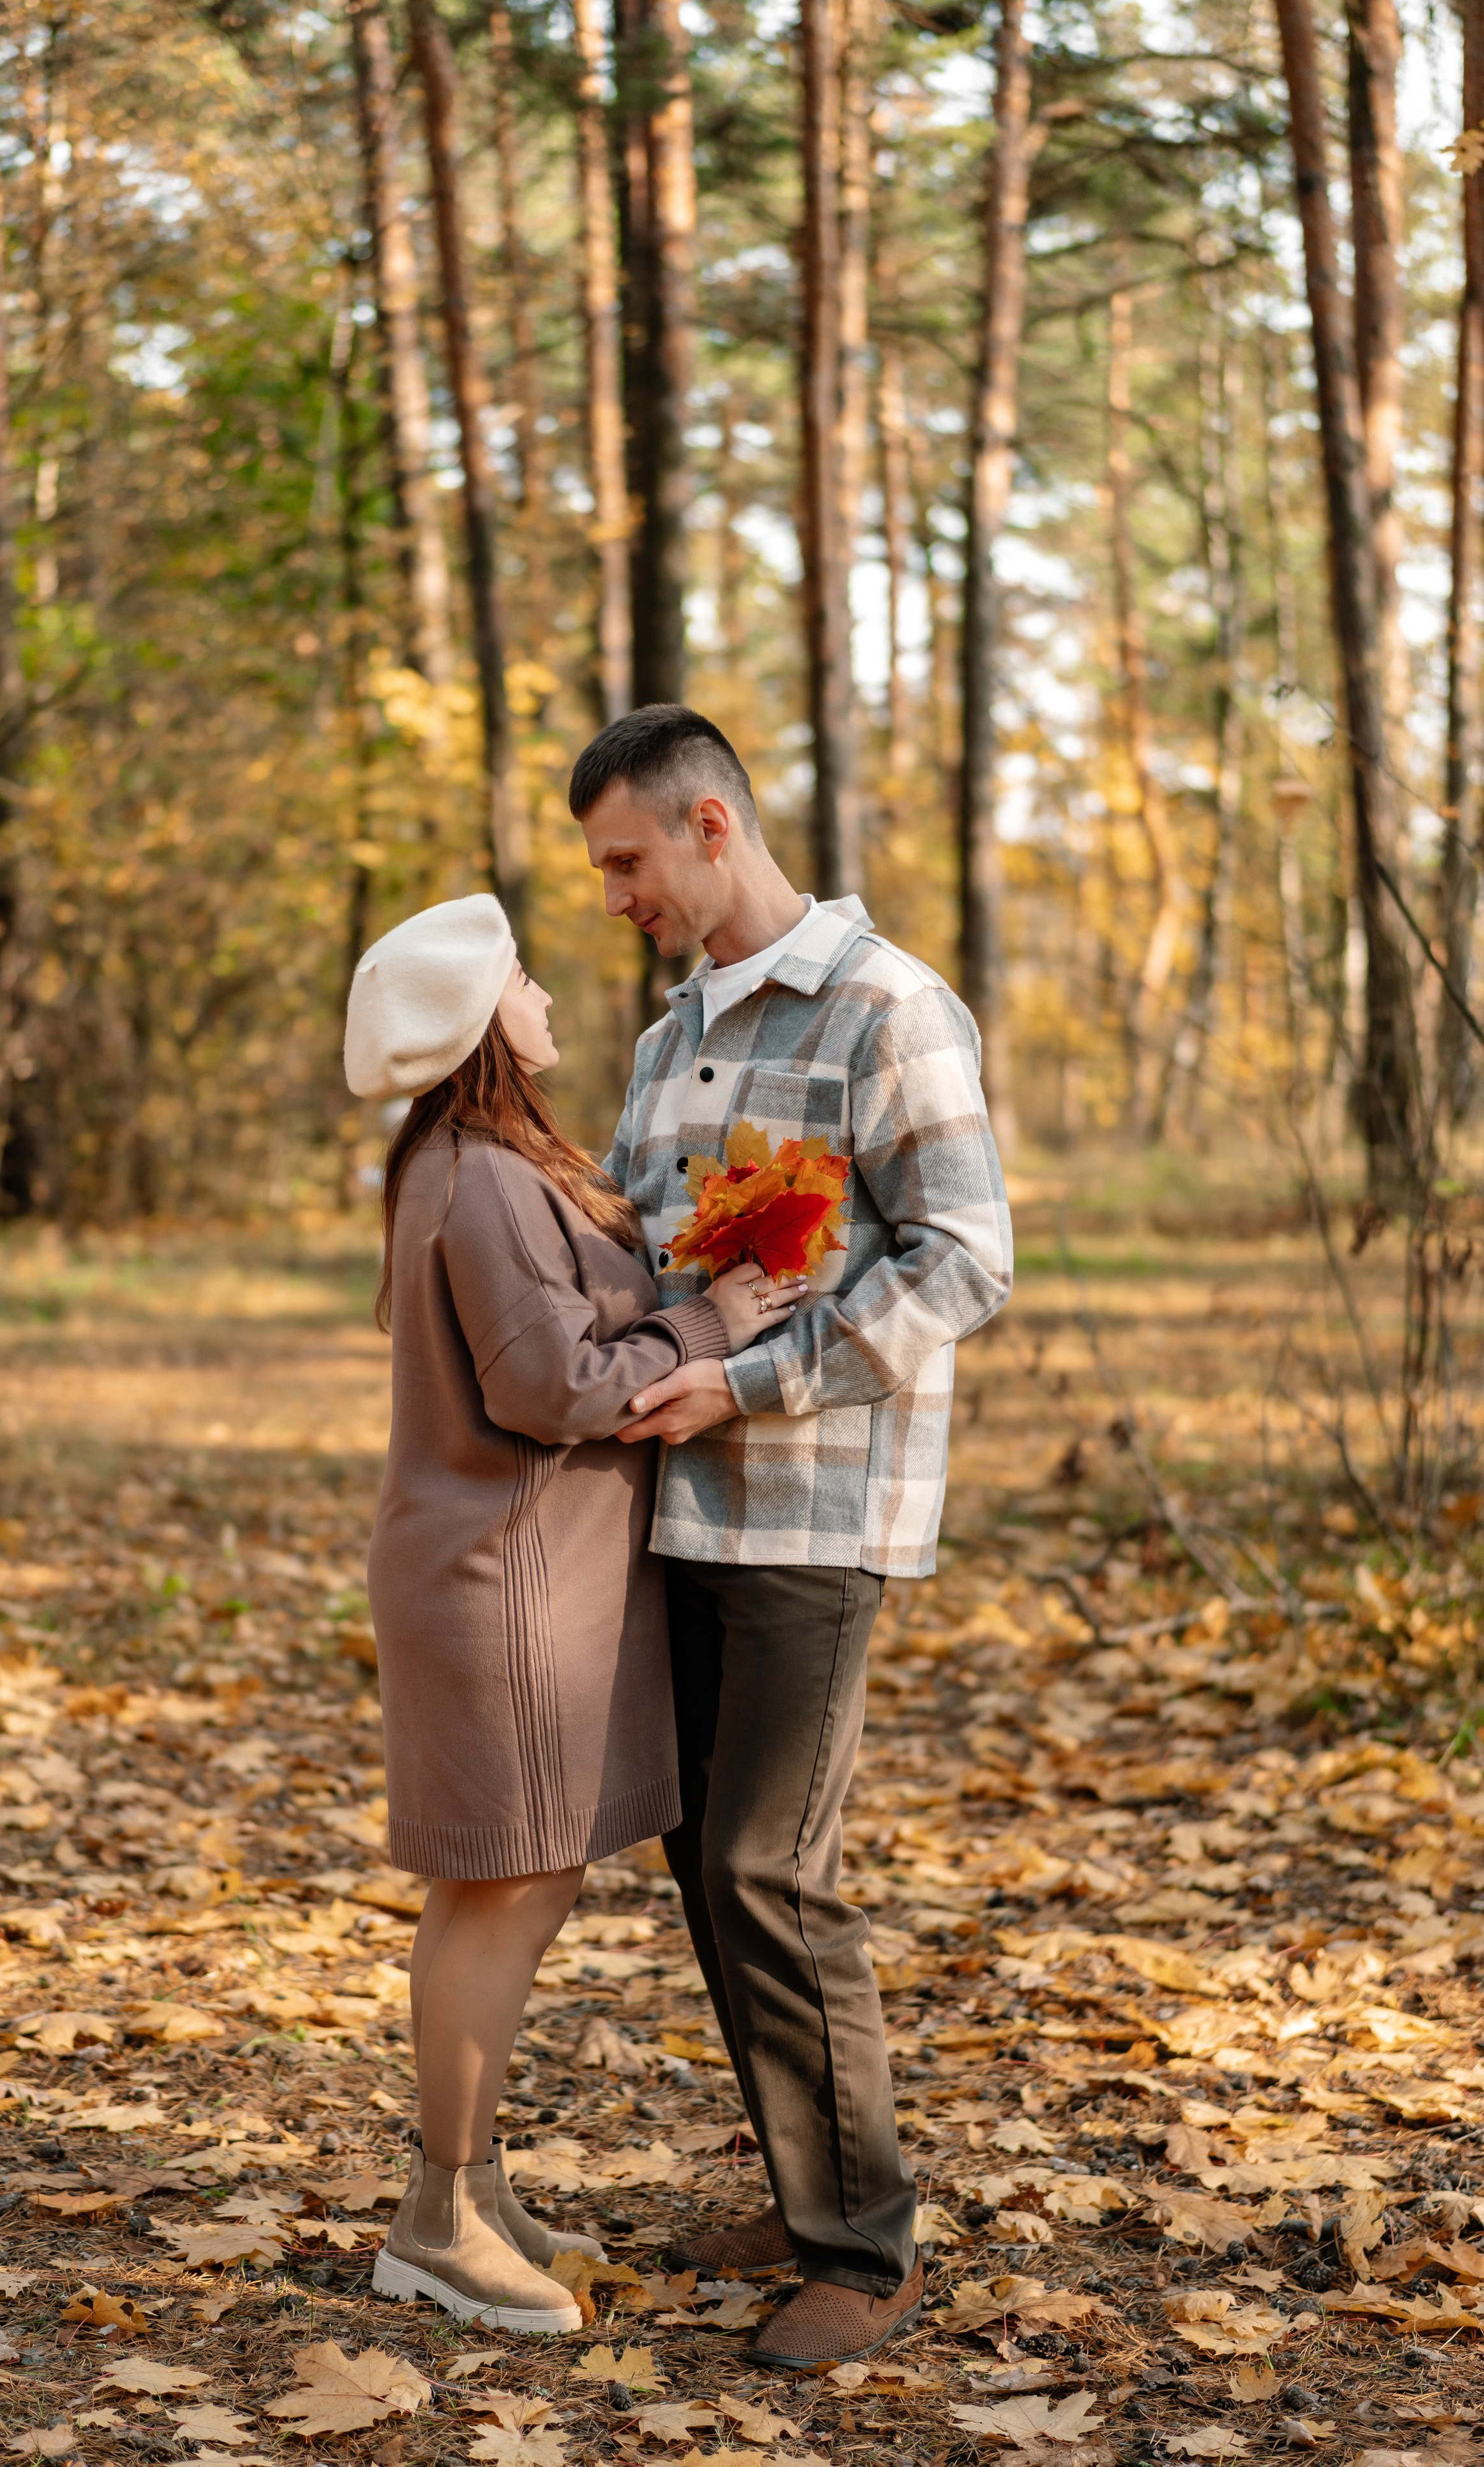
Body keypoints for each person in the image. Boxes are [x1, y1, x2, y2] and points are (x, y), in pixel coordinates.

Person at [568, 706, 1014, 2369]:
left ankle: (865, 2248)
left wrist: (746, 1378)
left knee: (772, 1863)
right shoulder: (673, 1029)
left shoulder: (887, 1006)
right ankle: (811, 2173)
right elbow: (640, 1244)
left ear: (707, 826)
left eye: (625, 859)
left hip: (815, 1514)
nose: (613, 893)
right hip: (679, 1506)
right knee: (705, 1857)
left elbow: (964, 1258)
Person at [344, 892, 800, 2336]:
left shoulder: (482, 1160)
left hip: (518, 1567)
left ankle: (471, 2190)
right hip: (503, 1577)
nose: (546, 991)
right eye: (522, 975)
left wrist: (689, 1273)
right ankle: (435, 2214)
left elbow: (567, 1328)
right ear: (485, 1016)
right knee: (501, 1880)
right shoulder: (476, 1173)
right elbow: (547, 1385)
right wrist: (710, 1324)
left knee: (515, 1879)